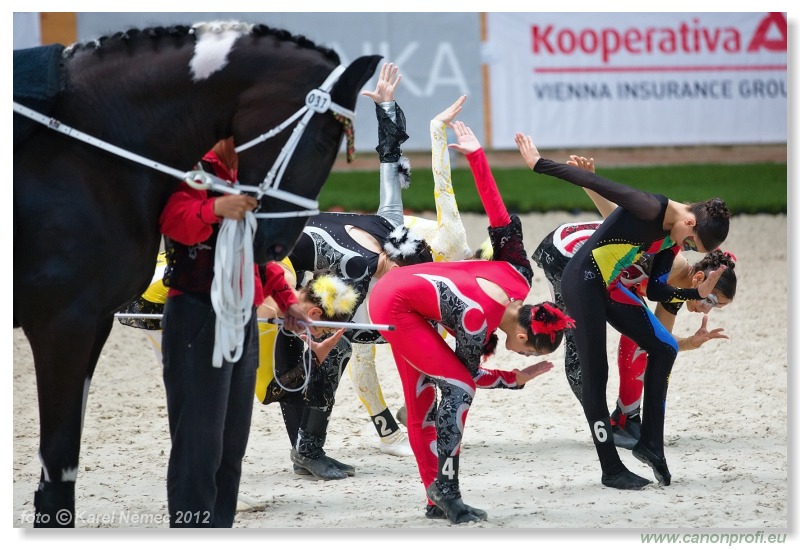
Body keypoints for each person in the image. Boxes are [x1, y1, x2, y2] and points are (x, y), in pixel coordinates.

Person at [368, 121, 573, 524]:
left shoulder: (519, 275)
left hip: (399, 294)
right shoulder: (478, 322)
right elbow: (466, 377)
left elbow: (498, 215)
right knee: (457, 390)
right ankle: (448, 490)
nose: (520, 353)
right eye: (526, 349)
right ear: (521, 334)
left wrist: (478, 157)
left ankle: (433, 498)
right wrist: (513, 380)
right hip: (395, 305)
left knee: (423, 399)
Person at [515, 132, 732, 490]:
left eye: (691, 249)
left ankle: (650, 444)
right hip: (582, 281)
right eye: (689, 243)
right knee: (595, 373)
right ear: (689, 222)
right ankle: (611, 469)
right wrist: (539, 164)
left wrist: (695, 290)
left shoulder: (670, 235)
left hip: (608, 287)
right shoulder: (651, 208)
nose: (685, 249)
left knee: (665, 348)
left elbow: (660, 289)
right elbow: (593, 180)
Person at [266, 62, 434, 478]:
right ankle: (306, 449)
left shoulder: (373, 252)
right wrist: (387, 107)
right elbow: (390, 160)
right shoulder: (381, 239)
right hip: (265, 248)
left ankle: (305, 447)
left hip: (279, 255)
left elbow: (389, 165)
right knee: (330, 349)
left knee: (329, 346)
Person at [157, 137, 311, 527]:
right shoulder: (192, 169)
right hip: (196, 314)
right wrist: (213, 208)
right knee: (199, 442)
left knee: (231, 443)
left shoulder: (245, 176)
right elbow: (173, 222)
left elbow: (258, 250)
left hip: (240, 316)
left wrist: (285, 298)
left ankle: (219, 528)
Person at [347, 95, 474, 443]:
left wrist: (437, 125)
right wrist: (436, 129)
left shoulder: (454, 260)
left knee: (435, 339)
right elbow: (441, 182)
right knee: (361, 345)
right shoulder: (451, 235)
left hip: (410, 269)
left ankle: (416, 407)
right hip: (377, 259)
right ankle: (387, 432)